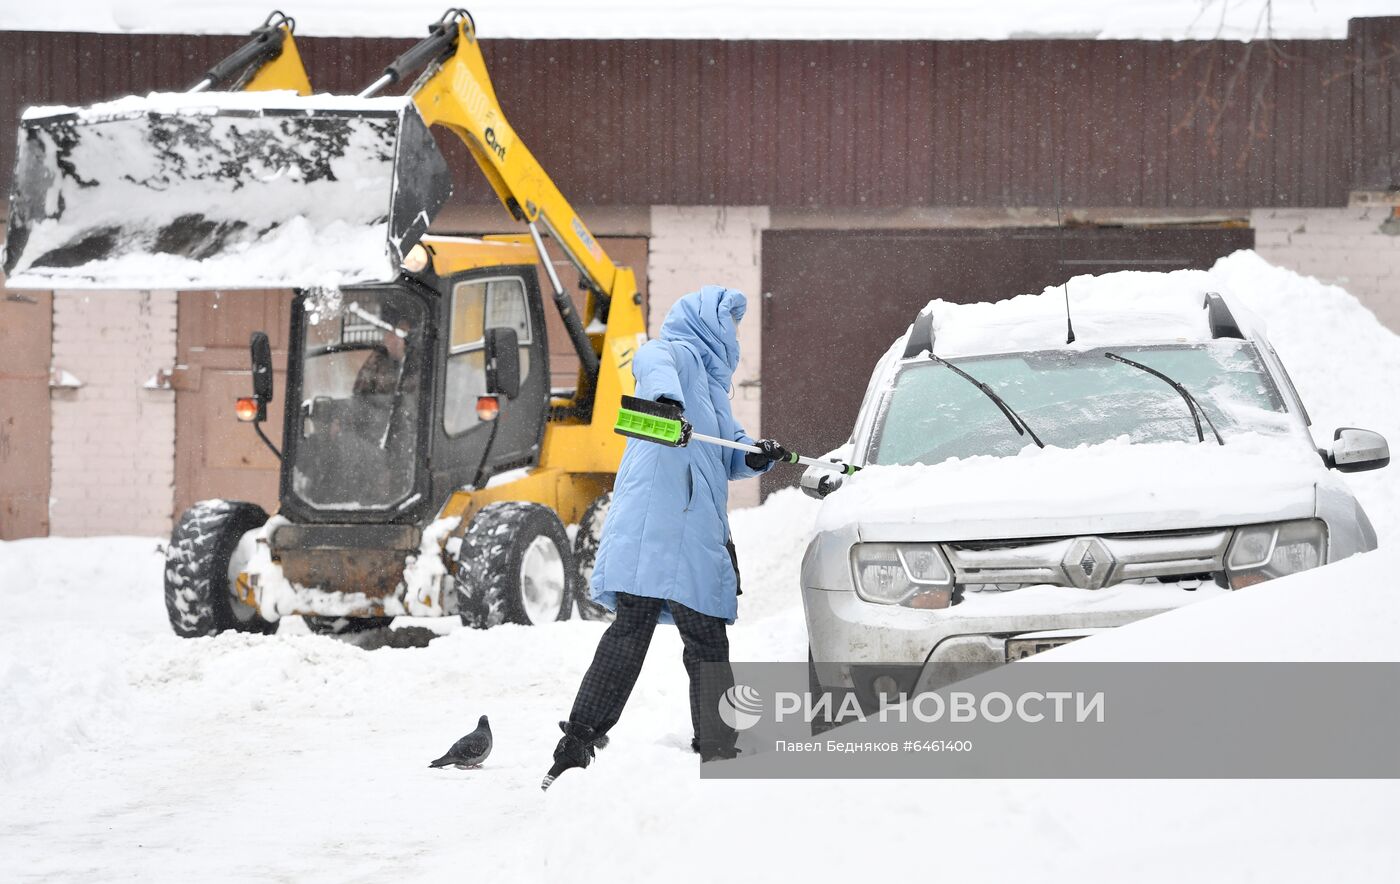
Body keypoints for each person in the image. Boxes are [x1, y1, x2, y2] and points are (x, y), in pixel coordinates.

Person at [542, 285, 789, 790]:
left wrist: (757, 455)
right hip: (656, 527)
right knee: (632, 632)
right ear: (708, 324)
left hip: (693, 534)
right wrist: (666, 406)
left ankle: (718, 748)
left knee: (704, 638)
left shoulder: (715, 395)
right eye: (729, 323)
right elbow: (652, 368)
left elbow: (730, 449)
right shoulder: (673, 352)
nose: (734, 335)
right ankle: (577, 744)